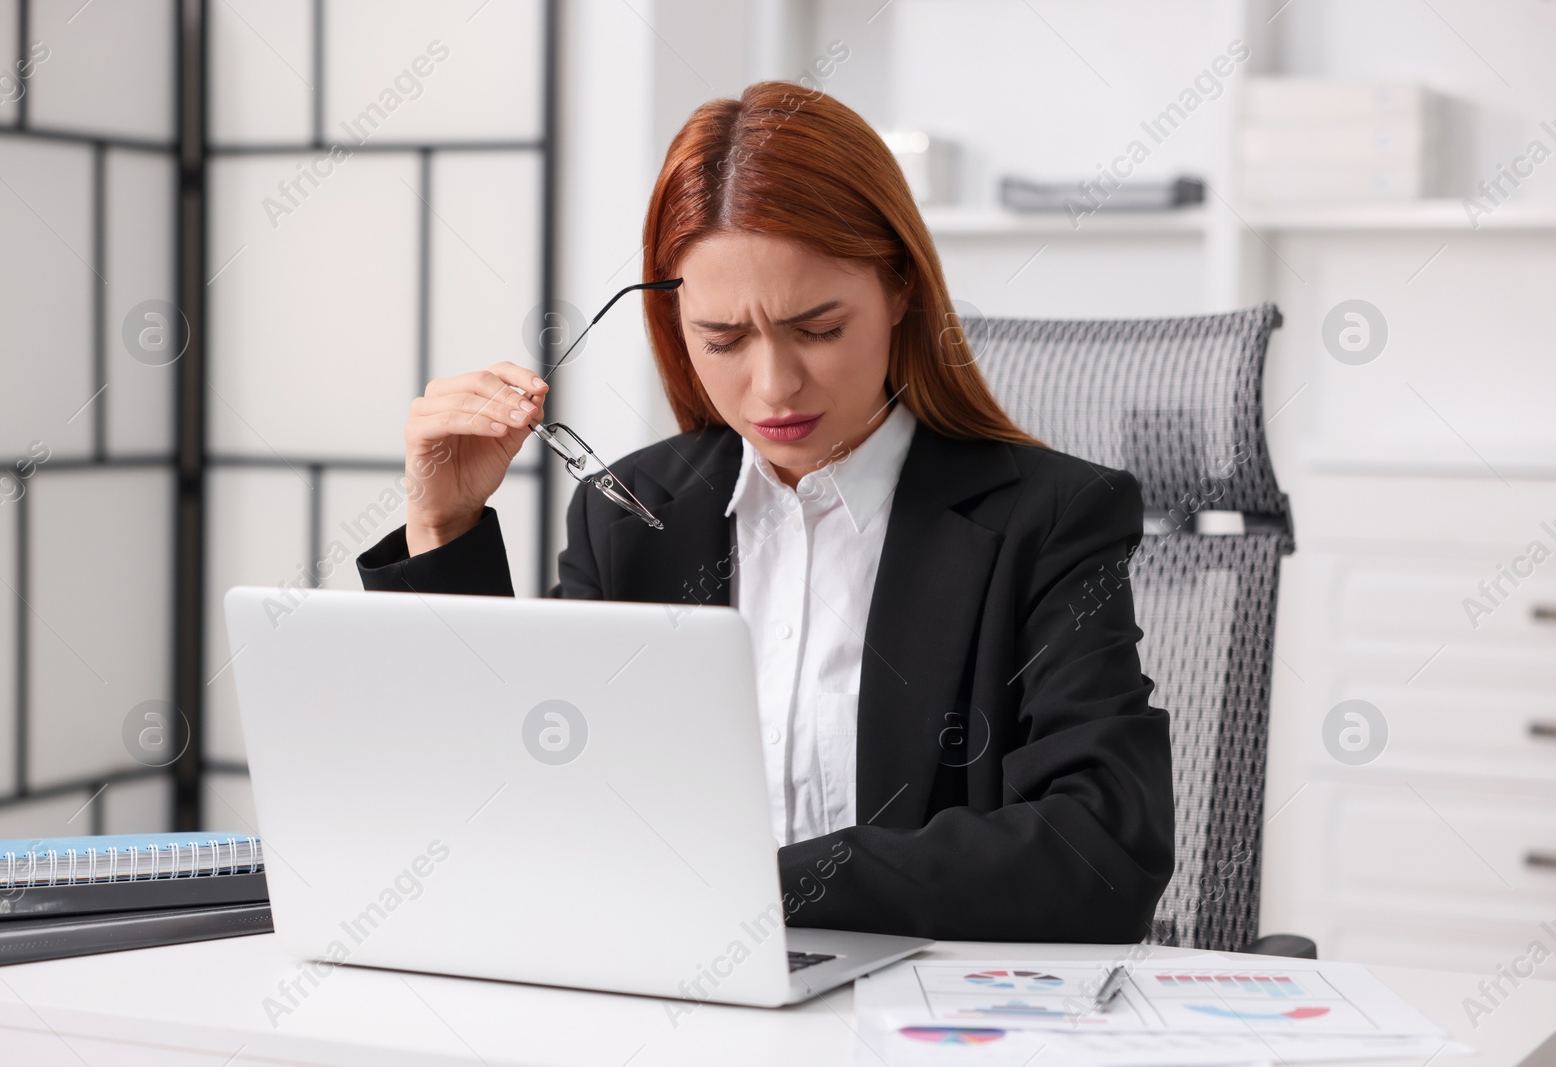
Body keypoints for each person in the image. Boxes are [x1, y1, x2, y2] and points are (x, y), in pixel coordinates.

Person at [356, 80, 1174, 943]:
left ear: (900, 290)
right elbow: (513, 807)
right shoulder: (629, 515)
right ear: (678, 326)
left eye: (817, 329)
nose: (775, 386)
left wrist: (760, 885)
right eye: (724, 340)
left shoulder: (1051, 518)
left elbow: (1101, 849)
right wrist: (442, 530)